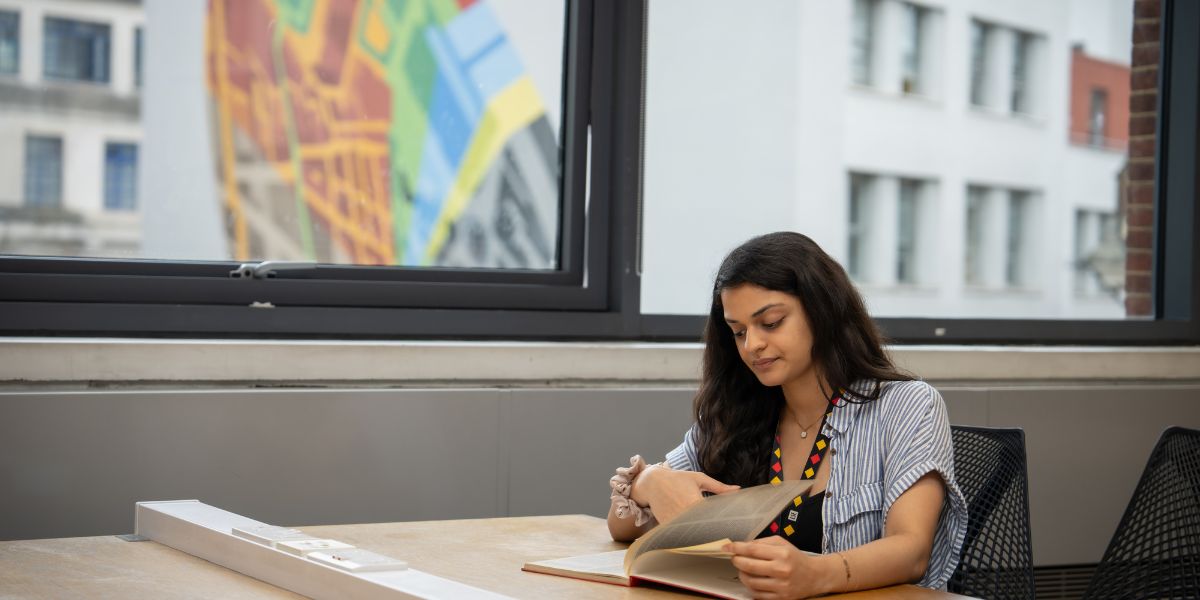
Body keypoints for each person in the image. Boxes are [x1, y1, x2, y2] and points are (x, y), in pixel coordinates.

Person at [606, 231, 967, 598]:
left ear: (822, 311)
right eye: (738, 331)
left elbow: (912, 551)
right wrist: (648, 482)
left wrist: (818, 574)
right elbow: (620, 528)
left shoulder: (907, 406)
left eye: (772, 322)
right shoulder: (735, 413)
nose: (752, 345)